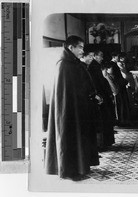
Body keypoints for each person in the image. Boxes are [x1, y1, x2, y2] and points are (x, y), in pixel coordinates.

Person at [45, 35, 99, 180]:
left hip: (77, 108)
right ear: (71, 47)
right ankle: (70, 172)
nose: (82, 50)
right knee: (69, 138)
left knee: (78, 138)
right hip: (68, 111)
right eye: (80, 47)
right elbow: (65, 93)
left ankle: (79, 168)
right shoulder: (64, 64)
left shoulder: (73, 63)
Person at [88, 50, 116, 150]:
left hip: (102, 94)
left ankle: (106, 142)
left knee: (106, 119)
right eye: (100, 56)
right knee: (103, 119)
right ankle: (102, 143)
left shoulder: (96, 65)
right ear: (95, 56)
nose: (102, 58)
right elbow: (97, 83)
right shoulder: (93, 66)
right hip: (100, 95)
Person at [110, 52, 131, 125]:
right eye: (117, 57)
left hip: (120, 85)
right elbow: (115, 77)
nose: (119, 58)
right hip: (118, 86)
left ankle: (123, 120)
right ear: (114, 57)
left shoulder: (114, 64)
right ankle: (121, 120)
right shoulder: (112, 64)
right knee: (120, 104)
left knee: (122, 103)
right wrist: (124, 81)